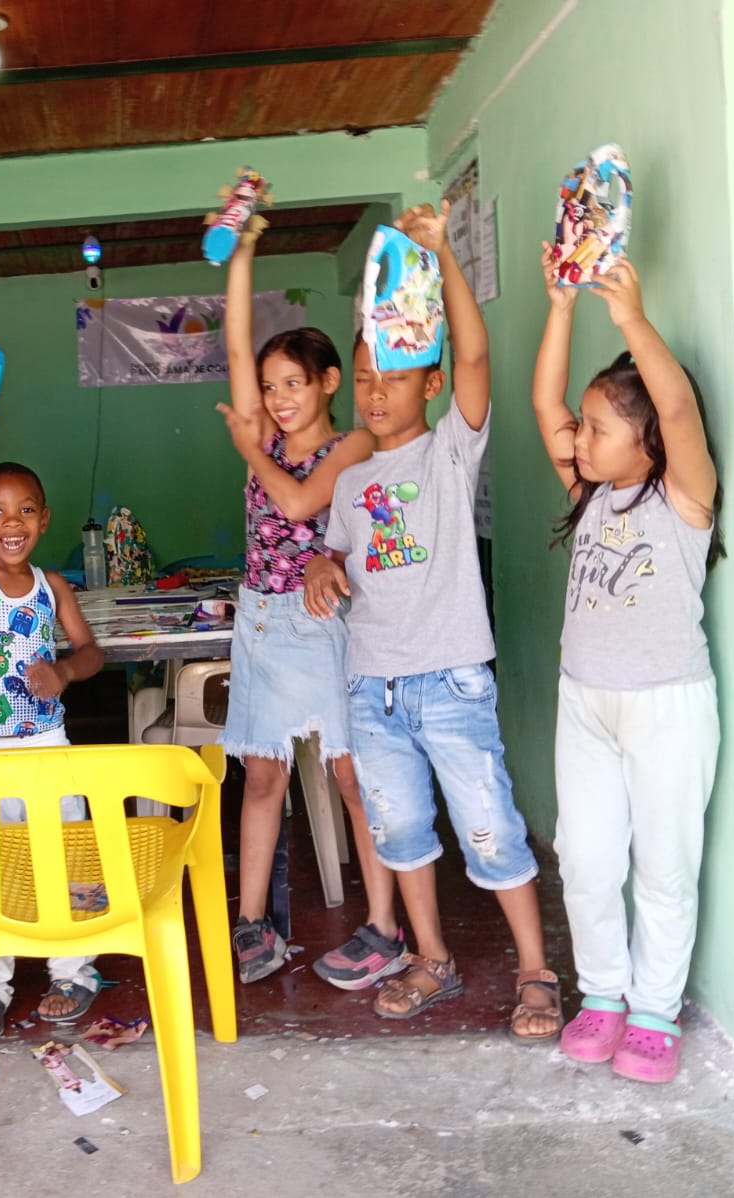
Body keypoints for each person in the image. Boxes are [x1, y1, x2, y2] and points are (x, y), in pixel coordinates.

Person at [306, 203, 562, 1042]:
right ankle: (432, 958)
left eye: (395, 376)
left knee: (491, 828)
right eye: (365, 378)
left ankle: (535, 970)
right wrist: (320, 567)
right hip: (372, 690)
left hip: (451, 681)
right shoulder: (350, 481)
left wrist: (444, 250)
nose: (377, 392)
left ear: (432, 383)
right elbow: (336, 552)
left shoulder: (451, 450)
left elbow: (477, 353)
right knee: (402, 832)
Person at [531, 249, 722, 1082]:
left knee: (664, 866)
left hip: (666, 705)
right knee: (586, 859)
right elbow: (544, 404)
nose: (578, 436)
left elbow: (676, 404)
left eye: (597, 427)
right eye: (583, 425)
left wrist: (631, 319)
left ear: (648, 446)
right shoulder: (589, 495)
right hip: (585, 703)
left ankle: (653, 1010)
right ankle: (603, 995)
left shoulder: (683, 500)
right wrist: (560, 307)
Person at [212, 220, 398, 987]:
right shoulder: (263, 430)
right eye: (268, 387)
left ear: (327, 382)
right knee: (263, 779)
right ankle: (252, 921)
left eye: (293, 383)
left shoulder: (351, 445)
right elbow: (233, 349)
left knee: (352, 778)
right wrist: (242, 252)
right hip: (260, 621)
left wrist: (247, 450)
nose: (277, 399)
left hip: (322, 625)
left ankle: (383, 924)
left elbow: (295, 504)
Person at [0, 364, 106, 1038]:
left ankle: (74, 971)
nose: (13, 523)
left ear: (45, 518)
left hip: (48, 747)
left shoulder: (52, 586)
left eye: (26, 510)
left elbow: (91, 652)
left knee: (66, 855)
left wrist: (64, 672)